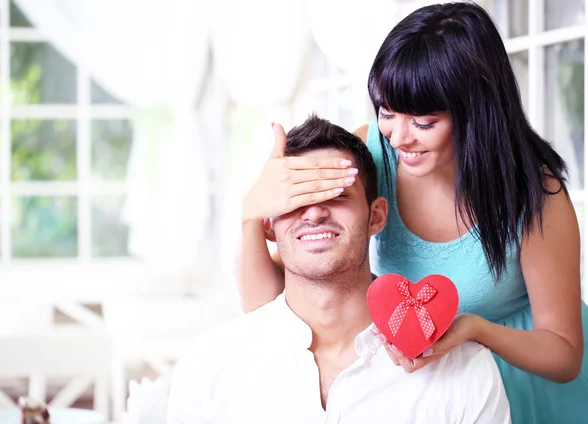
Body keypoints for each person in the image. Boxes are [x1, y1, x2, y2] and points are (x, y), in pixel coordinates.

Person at [237, 3, 587, 424]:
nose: (399, 138)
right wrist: (251, 217)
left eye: (423, 121)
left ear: (475, 111)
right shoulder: (371, 155)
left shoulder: (533, 195)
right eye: (387, 112)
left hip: (527, 381)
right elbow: (269, 303)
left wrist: (474, 329)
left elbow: (564, 354)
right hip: (428, 384)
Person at [168, 115, 511, 424]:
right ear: (269, 225)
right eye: (296, 198)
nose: (314, 213)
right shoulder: (210, 365)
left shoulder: (464, 370)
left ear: (376, 215)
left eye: (335, 194)